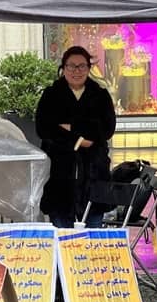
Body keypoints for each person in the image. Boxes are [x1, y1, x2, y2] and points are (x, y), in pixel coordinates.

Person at [35, 46, 116, 229]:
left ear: (89, 68)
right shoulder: (51, 95)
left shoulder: (100, 96)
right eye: (71, 66)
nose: (76, 71)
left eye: (81, 66)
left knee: (92, 238)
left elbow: (106, 128)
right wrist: (79, 139)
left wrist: (71, 126)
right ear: (63, 68)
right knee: (62, 236)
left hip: (94, 173)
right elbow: (44, 128)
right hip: (59, 175)